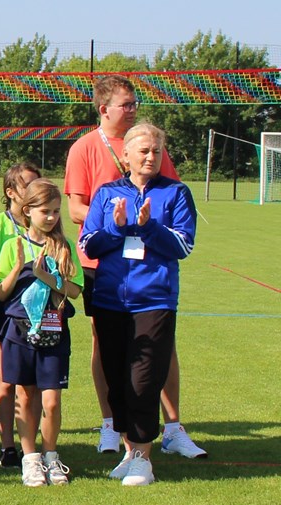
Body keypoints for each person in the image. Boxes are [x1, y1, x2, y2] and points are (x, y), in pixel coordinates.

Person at [64, 76, 206, 459]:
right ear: (104, 108)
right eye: (125, 104)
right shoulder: (85, 149)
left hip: (152, 280)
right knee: (109, 349)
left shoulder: (154, 149)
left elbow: (172, 207)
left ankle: (171, 428)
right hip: (104, 269)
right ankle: (113, 426)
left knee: (157, 352)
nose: (132, 110)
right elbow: (76, 210)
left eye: (134, 104)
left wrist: (144, 225)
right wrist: (117, 222)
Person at [80, 123, 196, 486]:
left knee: (143, 380)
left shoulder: (176, 193)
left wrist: (148, 227)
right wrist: (117, 227)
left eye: (156, 151)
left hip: (154, 300)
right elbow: (88, 244)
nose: (150, 157)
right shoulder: (107, 193)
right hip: (110, 299)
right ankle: (130, 452)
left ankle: (144, 458)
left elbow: (183, 245)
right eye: (144, 151)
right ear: (126, 154)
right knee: (116, 380)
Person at [0, 179, 82, 486]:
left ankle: (51, 456)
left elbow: (75, 291)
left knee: (51, 401)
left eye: (56, 211)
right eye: (45, 211)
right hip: (19, 332)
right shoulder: (12, 246)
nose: (52, 217)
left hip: (54, 333)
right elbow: (0, 293)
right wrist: (18, 267)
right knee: (25, 395)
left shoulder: (64, 247)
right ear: (27, 211)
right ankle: (30, 459)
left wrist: (46, 276)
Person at [0, 162, 40, 468]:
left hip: (41, 314)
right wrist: (20, 272)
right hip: (8, 313)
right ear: (10, 191)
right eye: (28, 184)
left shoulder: (44, 224)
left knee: (35, 384)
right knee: (6, 379)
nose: (34, 190)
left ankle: (32, 446)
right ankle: (7, 446)